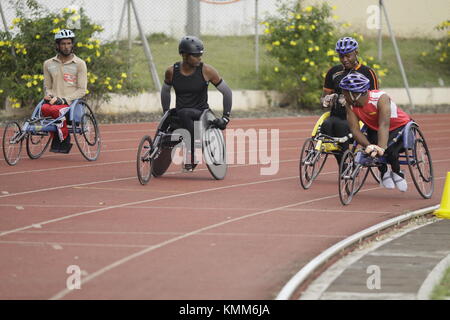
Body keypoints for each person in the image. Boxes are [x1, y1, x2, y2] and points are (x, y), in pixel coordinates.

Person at [160, 35, 232, 171]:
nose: (199, 58)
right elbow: (165, 91)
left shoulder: (207, 71)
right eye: (196, 55)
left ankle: (192, 153)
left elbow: (227, 92)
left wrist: (225, 117)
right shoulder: (171, 71)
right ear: (184, 55)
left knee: (185, 112)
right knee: (173, 119)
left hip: (201, 113)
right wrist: (165, 112)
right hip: (181, 113)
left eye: (200, 55)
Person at [339, 72, 411, 192]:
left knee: (388, 150)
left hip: (398, 126)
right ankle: (383, 171)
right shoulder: (349, 104)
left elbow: (384, 124)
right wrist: (368, 146)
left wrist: (381, 147)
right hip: (374, 127)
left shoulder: (381, 98)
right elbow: (354, 129)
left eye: (344, 92)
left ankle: (397, 172)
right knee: (370, 150)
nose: (343, 95)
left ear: (355, 94)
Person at [320, 36, 379, 165]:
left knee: (342, 127)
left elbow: (375, 98)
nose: (345, 59)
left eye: (348, 56)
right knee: (326, 125)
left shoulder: (367, 72)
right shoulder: (333, 72)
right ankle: (342, 163)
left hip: (357, 115)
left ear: (356, 53)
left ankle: (345, 163)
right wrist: (327, 99)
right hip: (337, 113)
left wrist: (351, 100)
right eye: (341, 56)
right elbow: (324, 98)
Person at [43, 29, 87, 153]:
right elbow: (48, 86)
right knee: (44, 109)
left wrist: (64, 99)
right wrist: (49, 95)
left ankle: (63, 142)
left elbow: (82, 90)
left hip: (70, 104)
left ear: (72, 44)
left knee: (56, 111)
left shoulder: (80, 64)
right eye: (63, 44)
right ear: (57, 45)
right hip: (53, 101)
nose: (66, 47)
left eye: (69, 43)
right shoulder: (48, 64)